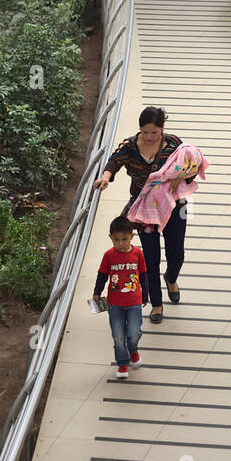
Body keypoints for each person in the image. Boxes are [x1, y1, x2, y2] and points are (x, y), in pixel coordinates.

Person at [94, 107, 185, 323]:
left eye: (155, 132)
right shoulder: (130, 146)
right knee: (150, 259)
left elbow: (191, 164)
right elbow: (114, 161)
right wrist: (105, 178)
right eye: (145, 132)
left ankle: (171, 278)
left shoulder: (173, 144)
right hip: (144, 208)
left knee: (176, 253)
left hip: (173, 205)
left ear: (162, 130)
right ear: (140, 130)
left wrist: (179, 178)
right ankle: (156, 304)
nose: (150, 137)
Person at [93, 216, 148, 379]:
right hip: (114, 304)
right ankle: (123, 364)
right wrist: (97, 292)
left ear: (132, 236)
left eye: (124, 239)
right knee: (118, 336)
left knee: (134, 333)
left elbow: (144, 275)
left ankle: (133, 350)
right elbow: (102, 276)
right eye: (116, 240)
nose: (121, 243)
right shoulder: (109, 255)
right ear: (111, 238)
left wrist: (145, 295)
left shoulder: (138, 254)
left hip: (134, 302)